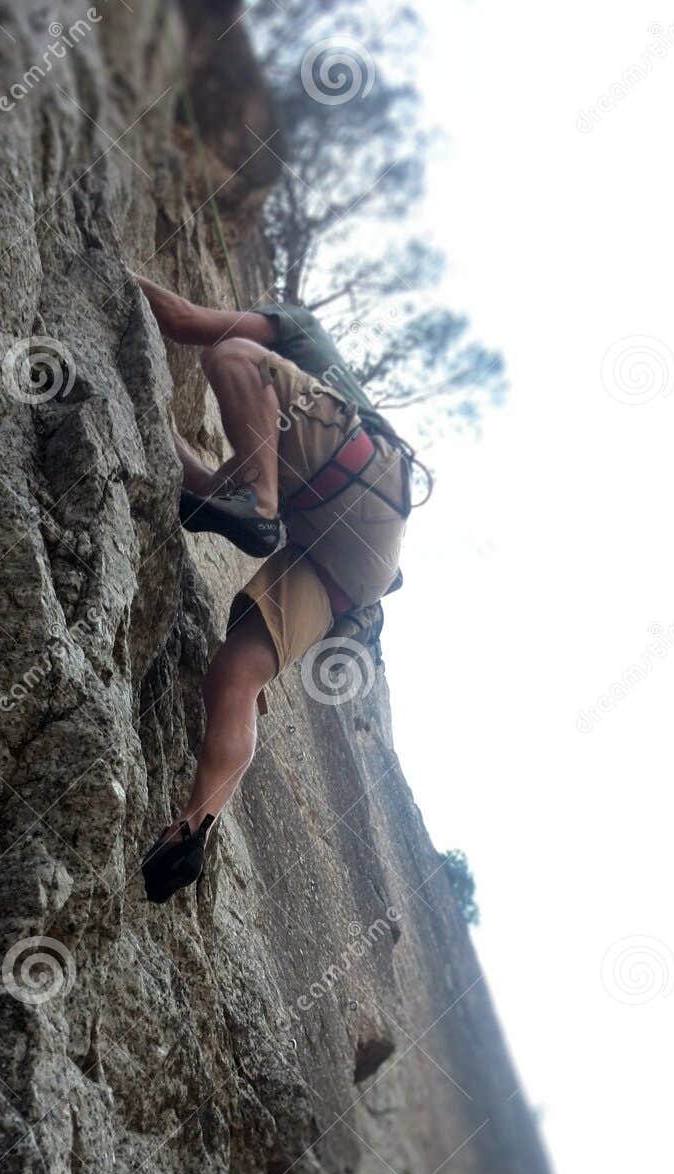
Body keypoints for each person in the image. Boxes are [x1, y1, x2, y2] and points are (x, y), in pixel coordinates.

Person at [131, 274, 427, 903]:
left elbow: (183, 318)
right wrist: (150, 419)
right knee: (234, 677)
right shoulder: (278, 438)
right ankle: (194, 826)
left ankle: (260, 504)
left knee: (231, 356)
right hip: (352, 563)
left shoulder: (297, 328)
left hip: (361, 480)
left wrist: (113, 270)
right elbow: (205, 485)